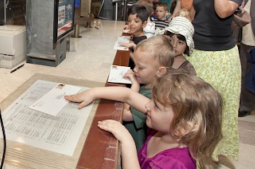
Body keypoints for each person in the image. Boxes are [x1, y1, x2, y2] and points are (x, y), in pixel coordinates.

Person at [65, 70, 223, 169]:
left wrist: (127, 141)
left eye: (157, 107)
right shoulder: (167, 126)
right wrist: (94, 92)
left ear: (182, 127)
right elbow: (130, 96)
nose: (147, 106)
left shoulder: (174, 164)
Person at [187, 0, 245, 160]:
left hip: (220, 58)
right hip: (196, 53)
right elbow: (194, 14)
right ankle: (188, 153)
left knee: (212, 111)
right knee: (191, 107)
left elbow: (223, 11)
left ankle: (206, 155)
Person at [121, 36, 173, 151]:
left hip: (134, 150)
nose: (135, 69)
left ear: (160, 71)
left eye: (140, 67)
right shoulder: (145, 84)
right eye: (135, 65)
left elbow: (124, 114)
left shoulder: (155, 99)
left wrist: (134, 86)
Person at [120, 5, 148, 69]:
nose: (131, 23)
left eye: (136, 21)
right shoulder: (136, 35)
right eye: (129, 20)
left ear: (144, 24)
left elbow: (139, 62)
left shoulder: (143, 42)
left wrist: (128, 51)